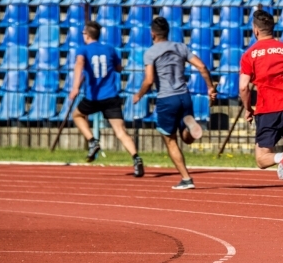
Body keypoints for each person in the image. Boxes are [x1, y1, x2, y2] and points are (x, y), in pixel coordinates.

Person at [239, 7, 283, 215]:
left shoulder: (250, 55)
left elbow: (244, 87)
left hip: (267, 110)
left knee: (262, 159)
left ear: (255, 30)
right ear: (272, 28)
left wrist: (248, 109)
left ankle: (281, 157)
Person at [133, 17, 216, 190]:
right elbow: (201, 66)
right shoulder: (180, 47)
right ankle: (189, 129)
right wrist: (210, 88)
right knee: (186, 139)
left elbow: (148, 80)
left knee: (171, 141)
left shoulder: (150, 52)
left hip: (166, 98)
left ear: (152, 33)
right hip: (184, 96)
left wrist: (139, 95)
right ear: (167, 32)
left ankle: (186, 179)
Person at [68, 21, 144, 177]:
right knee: (121, 131)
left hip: (93, 97)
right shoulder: (110, 49)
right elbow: (118, 68)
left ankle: (92, 141)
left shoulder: (83, 49)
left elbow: (79, 64)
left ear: (87, 35)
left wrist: (75, 86)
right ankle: (136, 158)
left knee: (77, 115)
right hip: (111, 96)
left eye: (83, 33)